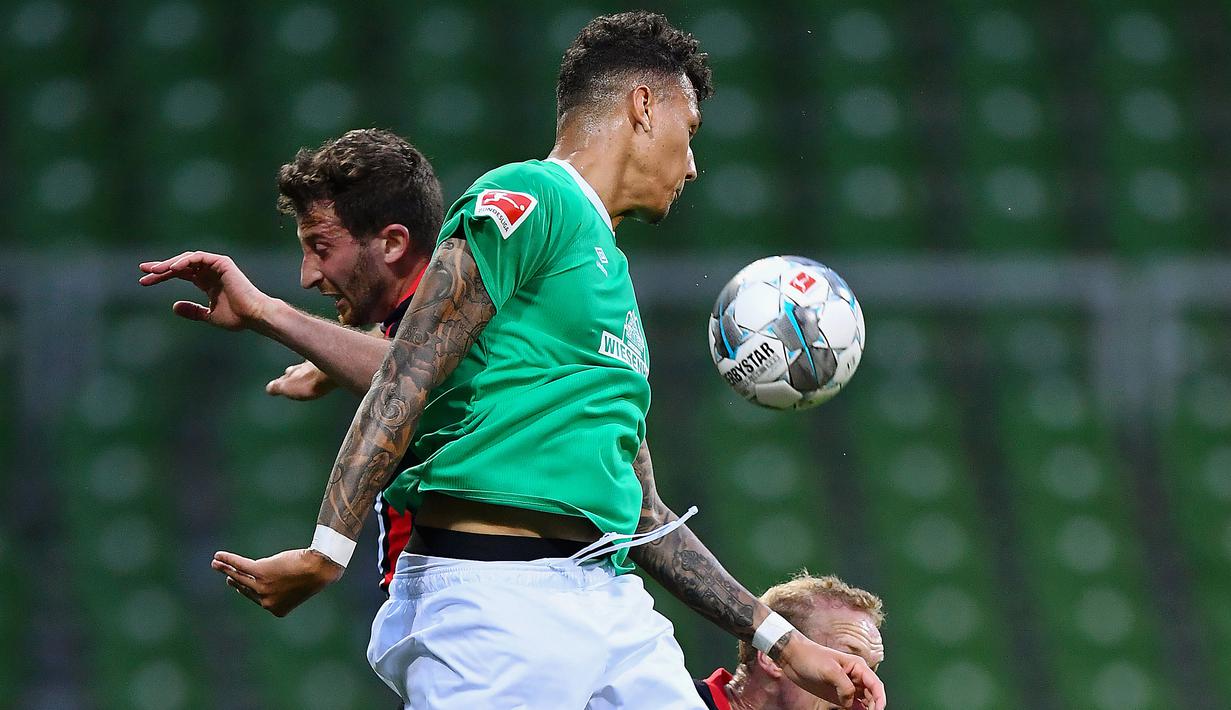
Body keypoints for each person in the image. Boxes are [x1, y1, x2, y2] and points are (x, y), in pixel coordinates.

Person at [205, 11, 886, 710]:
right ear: (642, 106)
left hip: (613, 603)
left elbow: (643, 513)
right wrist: (327, 550)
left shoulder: (608, 277)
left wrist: (784, 642)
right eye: (690, 132)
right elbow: (402, 376)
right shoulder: (532, 199)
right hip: (497, 602)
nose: (691, 164)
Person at [138, 128, 445, 591]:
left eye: (321, 249)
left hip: (466, 604)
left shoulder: (470, 326)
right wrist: (332, 365)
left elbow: (424, 375)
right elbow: (409, 355)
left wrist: (266, 312)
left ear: (393, 244)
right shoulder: (415, 326)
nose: (308, 277)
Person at [695, 573, 886, 710]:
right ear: (773, 655)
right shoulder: (673, 695)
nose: (864, 695)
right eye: (847, 664)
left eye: (872, 671)